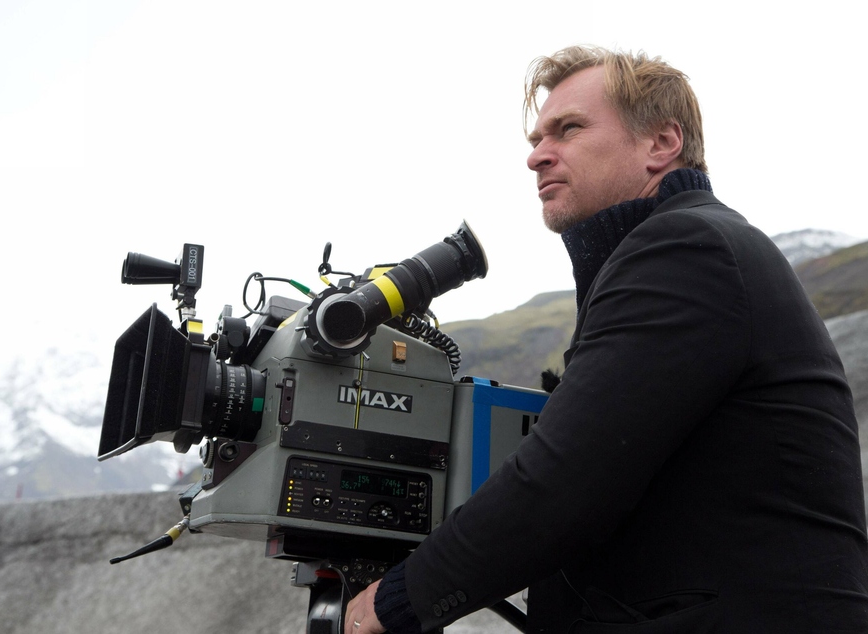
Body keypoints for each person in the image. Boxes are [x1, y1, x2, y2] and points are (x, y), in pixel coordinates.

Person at [344, 45, 868, 633]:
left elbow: (565, 480)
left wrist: (393, 601)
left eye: (567, 129)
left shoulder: (687, 250)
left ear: (661, 144)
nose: (538, 156)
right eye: (536, 139)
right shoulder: (674, 255)